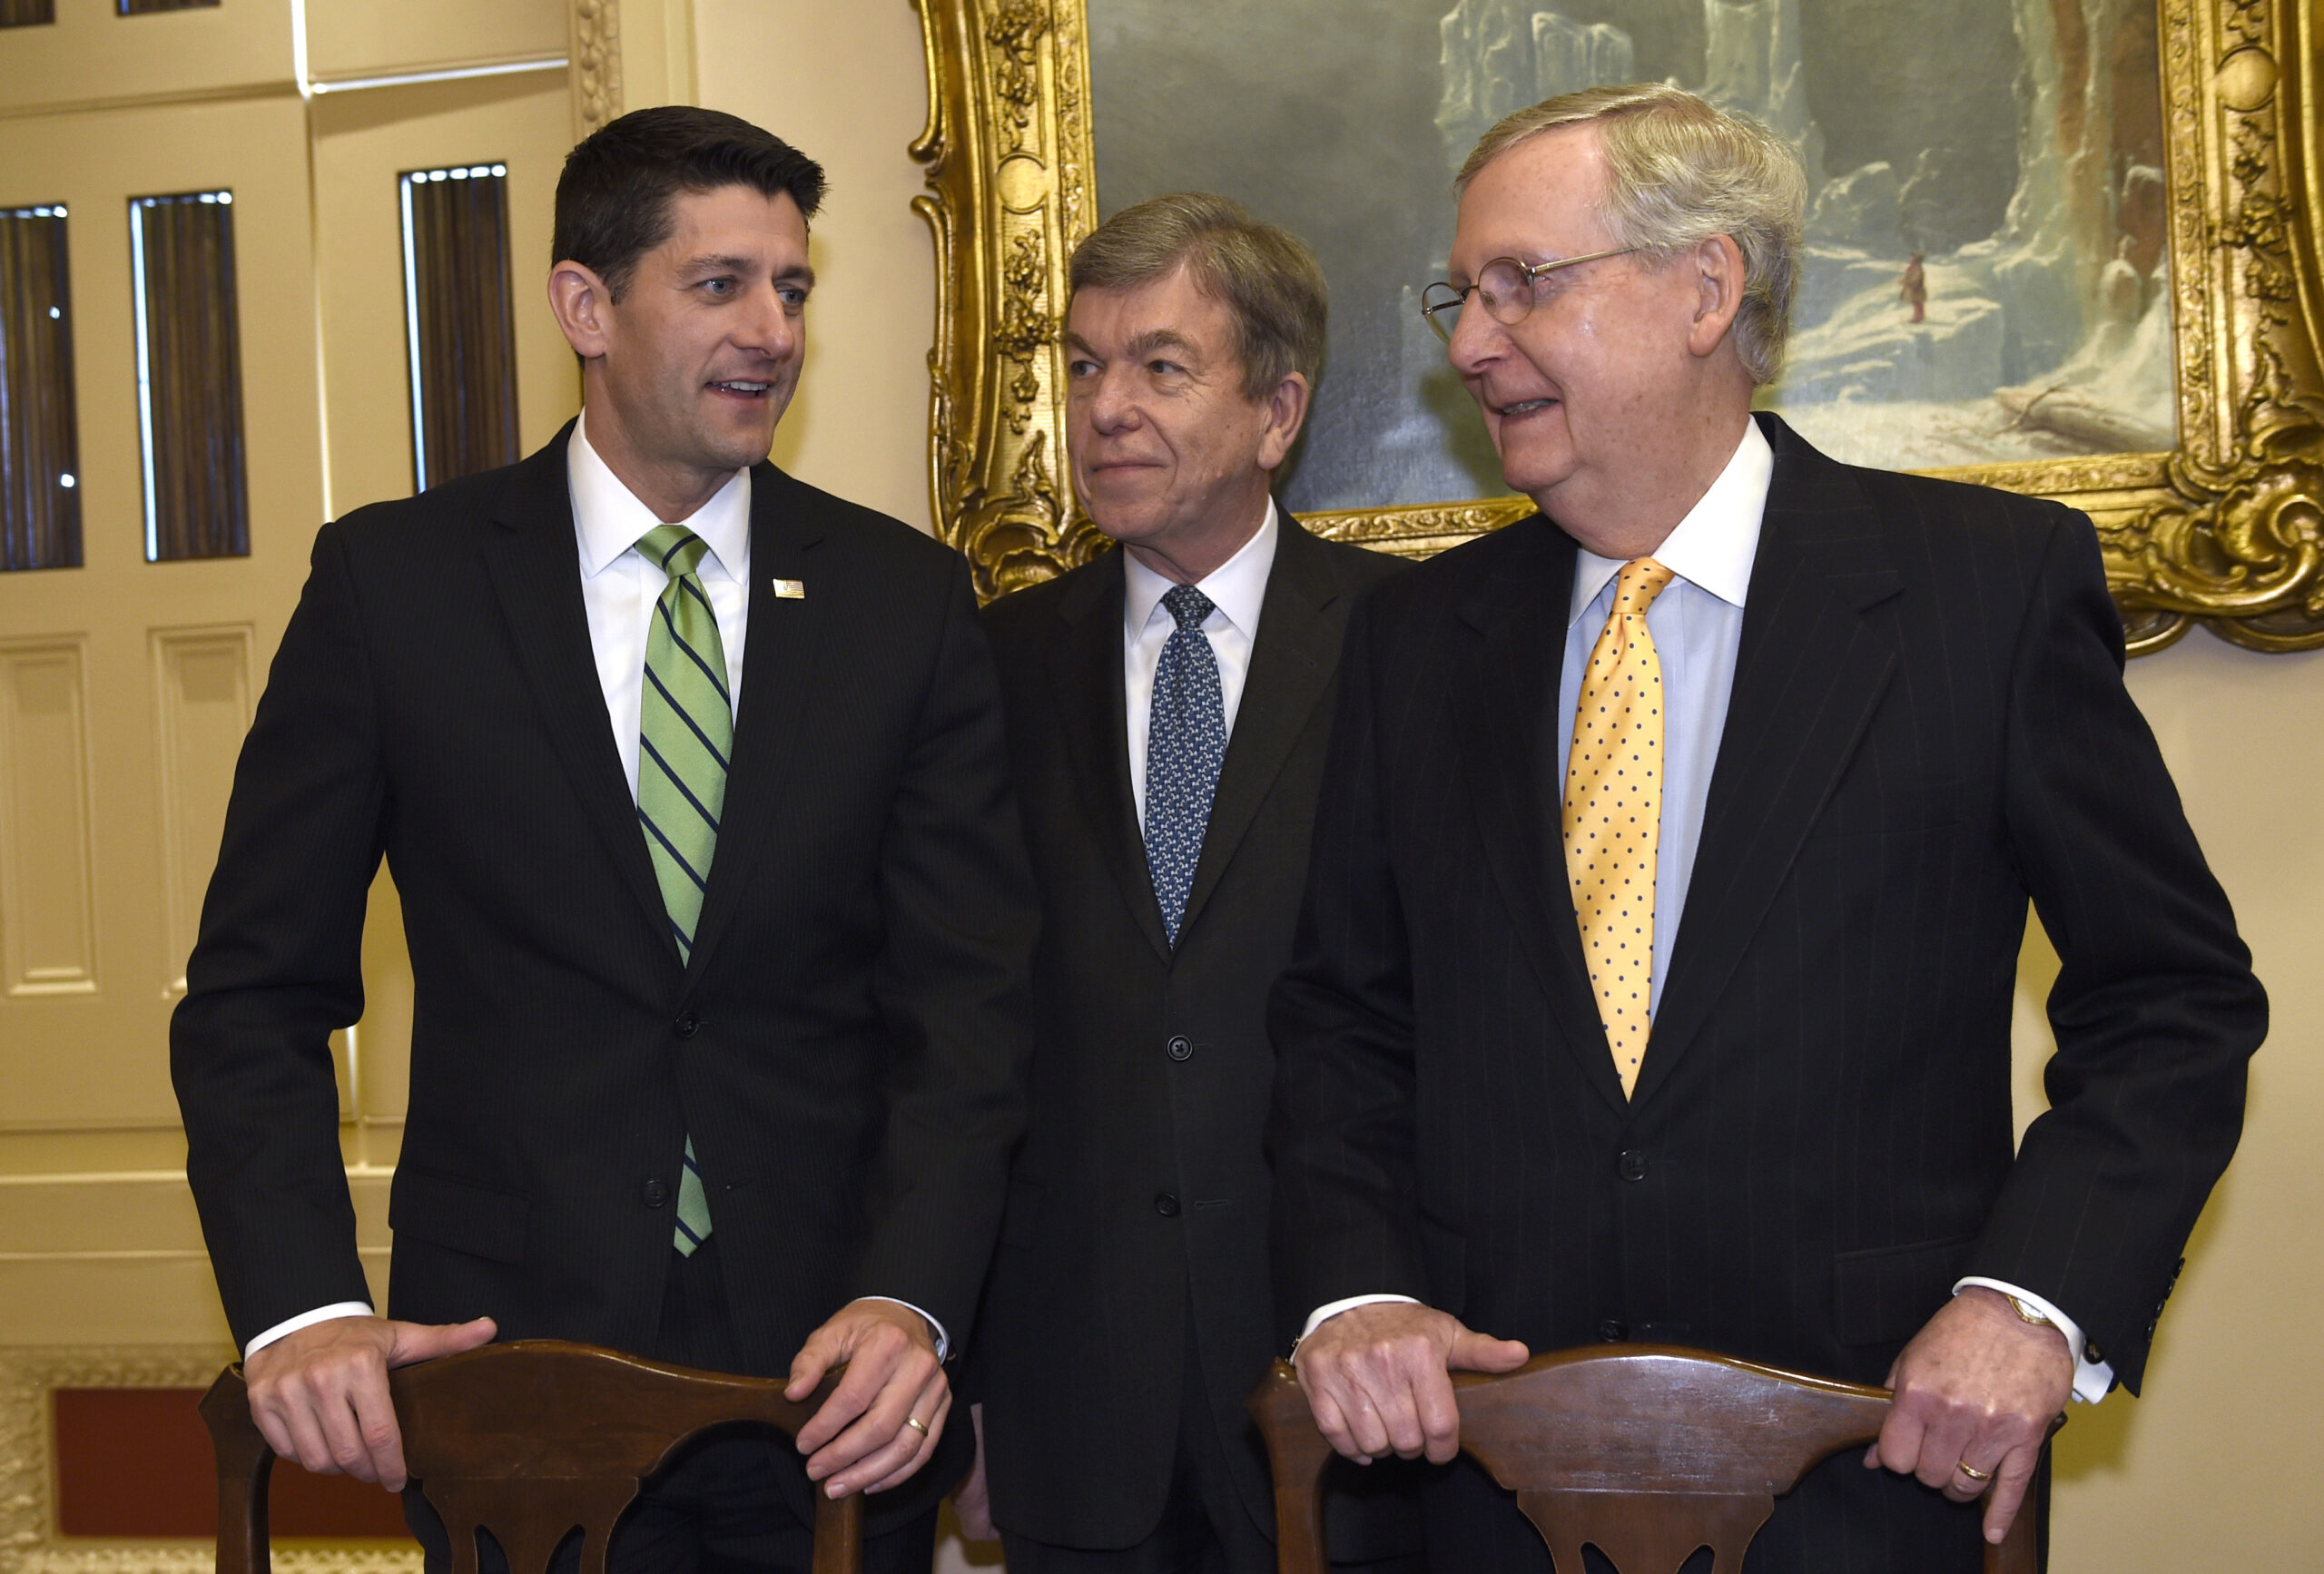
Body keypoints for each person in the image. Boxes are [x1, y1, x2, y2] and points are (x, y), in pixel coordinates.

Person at [1269, 84, 2263, 1572]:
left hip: (1869, 1478)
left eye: (1522, 282)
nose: (1471, 342)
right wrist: (1357, 1292)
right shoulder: (1413, 638)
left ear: (1705, 288)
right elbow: (1342, 1020)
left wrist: (2031, 1302)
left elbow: (2172, 999)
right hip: (1483, 1483)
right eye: (1461, 295)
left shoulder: (1980, 593)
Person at [169, 105, 1036, 1574]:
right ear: (585, 304)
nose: (773, 331)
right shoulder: (396, 586)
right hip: (511, 1366)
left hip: (829, 1384)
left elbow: (971, 1007)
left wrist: (916, 1300)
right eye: (720, 284)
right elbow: (254, 992)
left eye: (793, 288)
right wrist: (302, 1304)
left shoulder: (904, 603)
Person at [954, 193, 1415, 1574]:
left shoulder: (1414, 646)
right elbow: (955, 1034)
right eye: (1084, 366)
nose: (1106, 408)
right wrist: (969, 1382)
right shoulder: (989, 667)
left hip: (1350, 1390)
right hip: (1072, 1399)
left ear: (1278, 412)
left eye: (1161, 366)